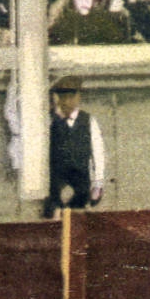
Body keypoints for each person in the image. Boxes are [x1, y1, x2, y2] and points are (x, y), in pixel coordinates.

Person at [43, 76, 106, 217]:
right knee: (55, 222)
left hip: (81, 183)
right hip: (55, 183)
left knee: (79, 221)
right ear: (56, 98)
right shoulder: (49, 121)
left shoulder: (88, 121)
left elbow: (98, 154)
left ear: (78, 97)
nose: (67, 101)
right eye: (62, 97)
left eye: (71, 97)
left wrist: (98, 184)